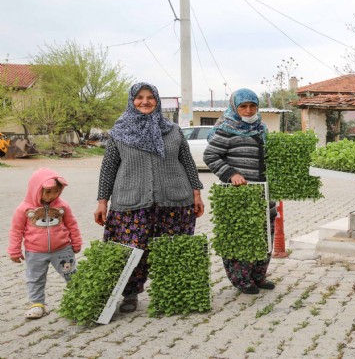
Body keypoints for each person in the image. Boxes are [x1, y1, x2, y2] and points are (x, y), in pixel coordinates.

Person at [94, 82, 205, 313]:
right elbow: (108, 168)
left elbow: (187, 162)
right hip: (131, 201)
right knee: (131, 249)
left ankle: (173, 293)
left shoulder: (172, 130)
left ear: (157, 100)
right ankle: (130, 294)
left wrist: (197, 193)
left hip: (174, 200)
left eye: (150, 97)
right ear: (131, 100)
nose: (145, 101)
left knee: (173, 249)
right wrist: (102, 201)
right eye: (139, 97)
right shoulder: (119, 132)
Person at [203, 88, 276, 295]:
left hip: (263, 193)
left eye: (252, 105)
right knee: (241, 237)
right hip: (239, 193)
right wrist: (230, 173)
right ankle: (241, 280)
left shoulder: (261, 128)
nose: (248, 110)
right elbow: (211, 156)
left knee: (264, 235)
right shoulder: (226, 129)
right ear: (235, 107)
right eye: (243, 106)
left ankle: (258, 276)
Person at [7, 168, 83, 319]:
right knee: (35, 278)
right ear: (35, 189)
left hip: (62, 250)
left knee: (71, 275)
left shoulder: (63, 206)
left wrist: (76, 242)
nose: (52, 196)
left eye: (56, 192)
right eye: (48, 192)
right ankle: (37, 304)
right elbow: (16, 230)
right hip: (35, 252)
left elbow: (72, 225)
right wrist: (14, 250)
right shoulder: (24, 209)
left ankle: (80, 298)